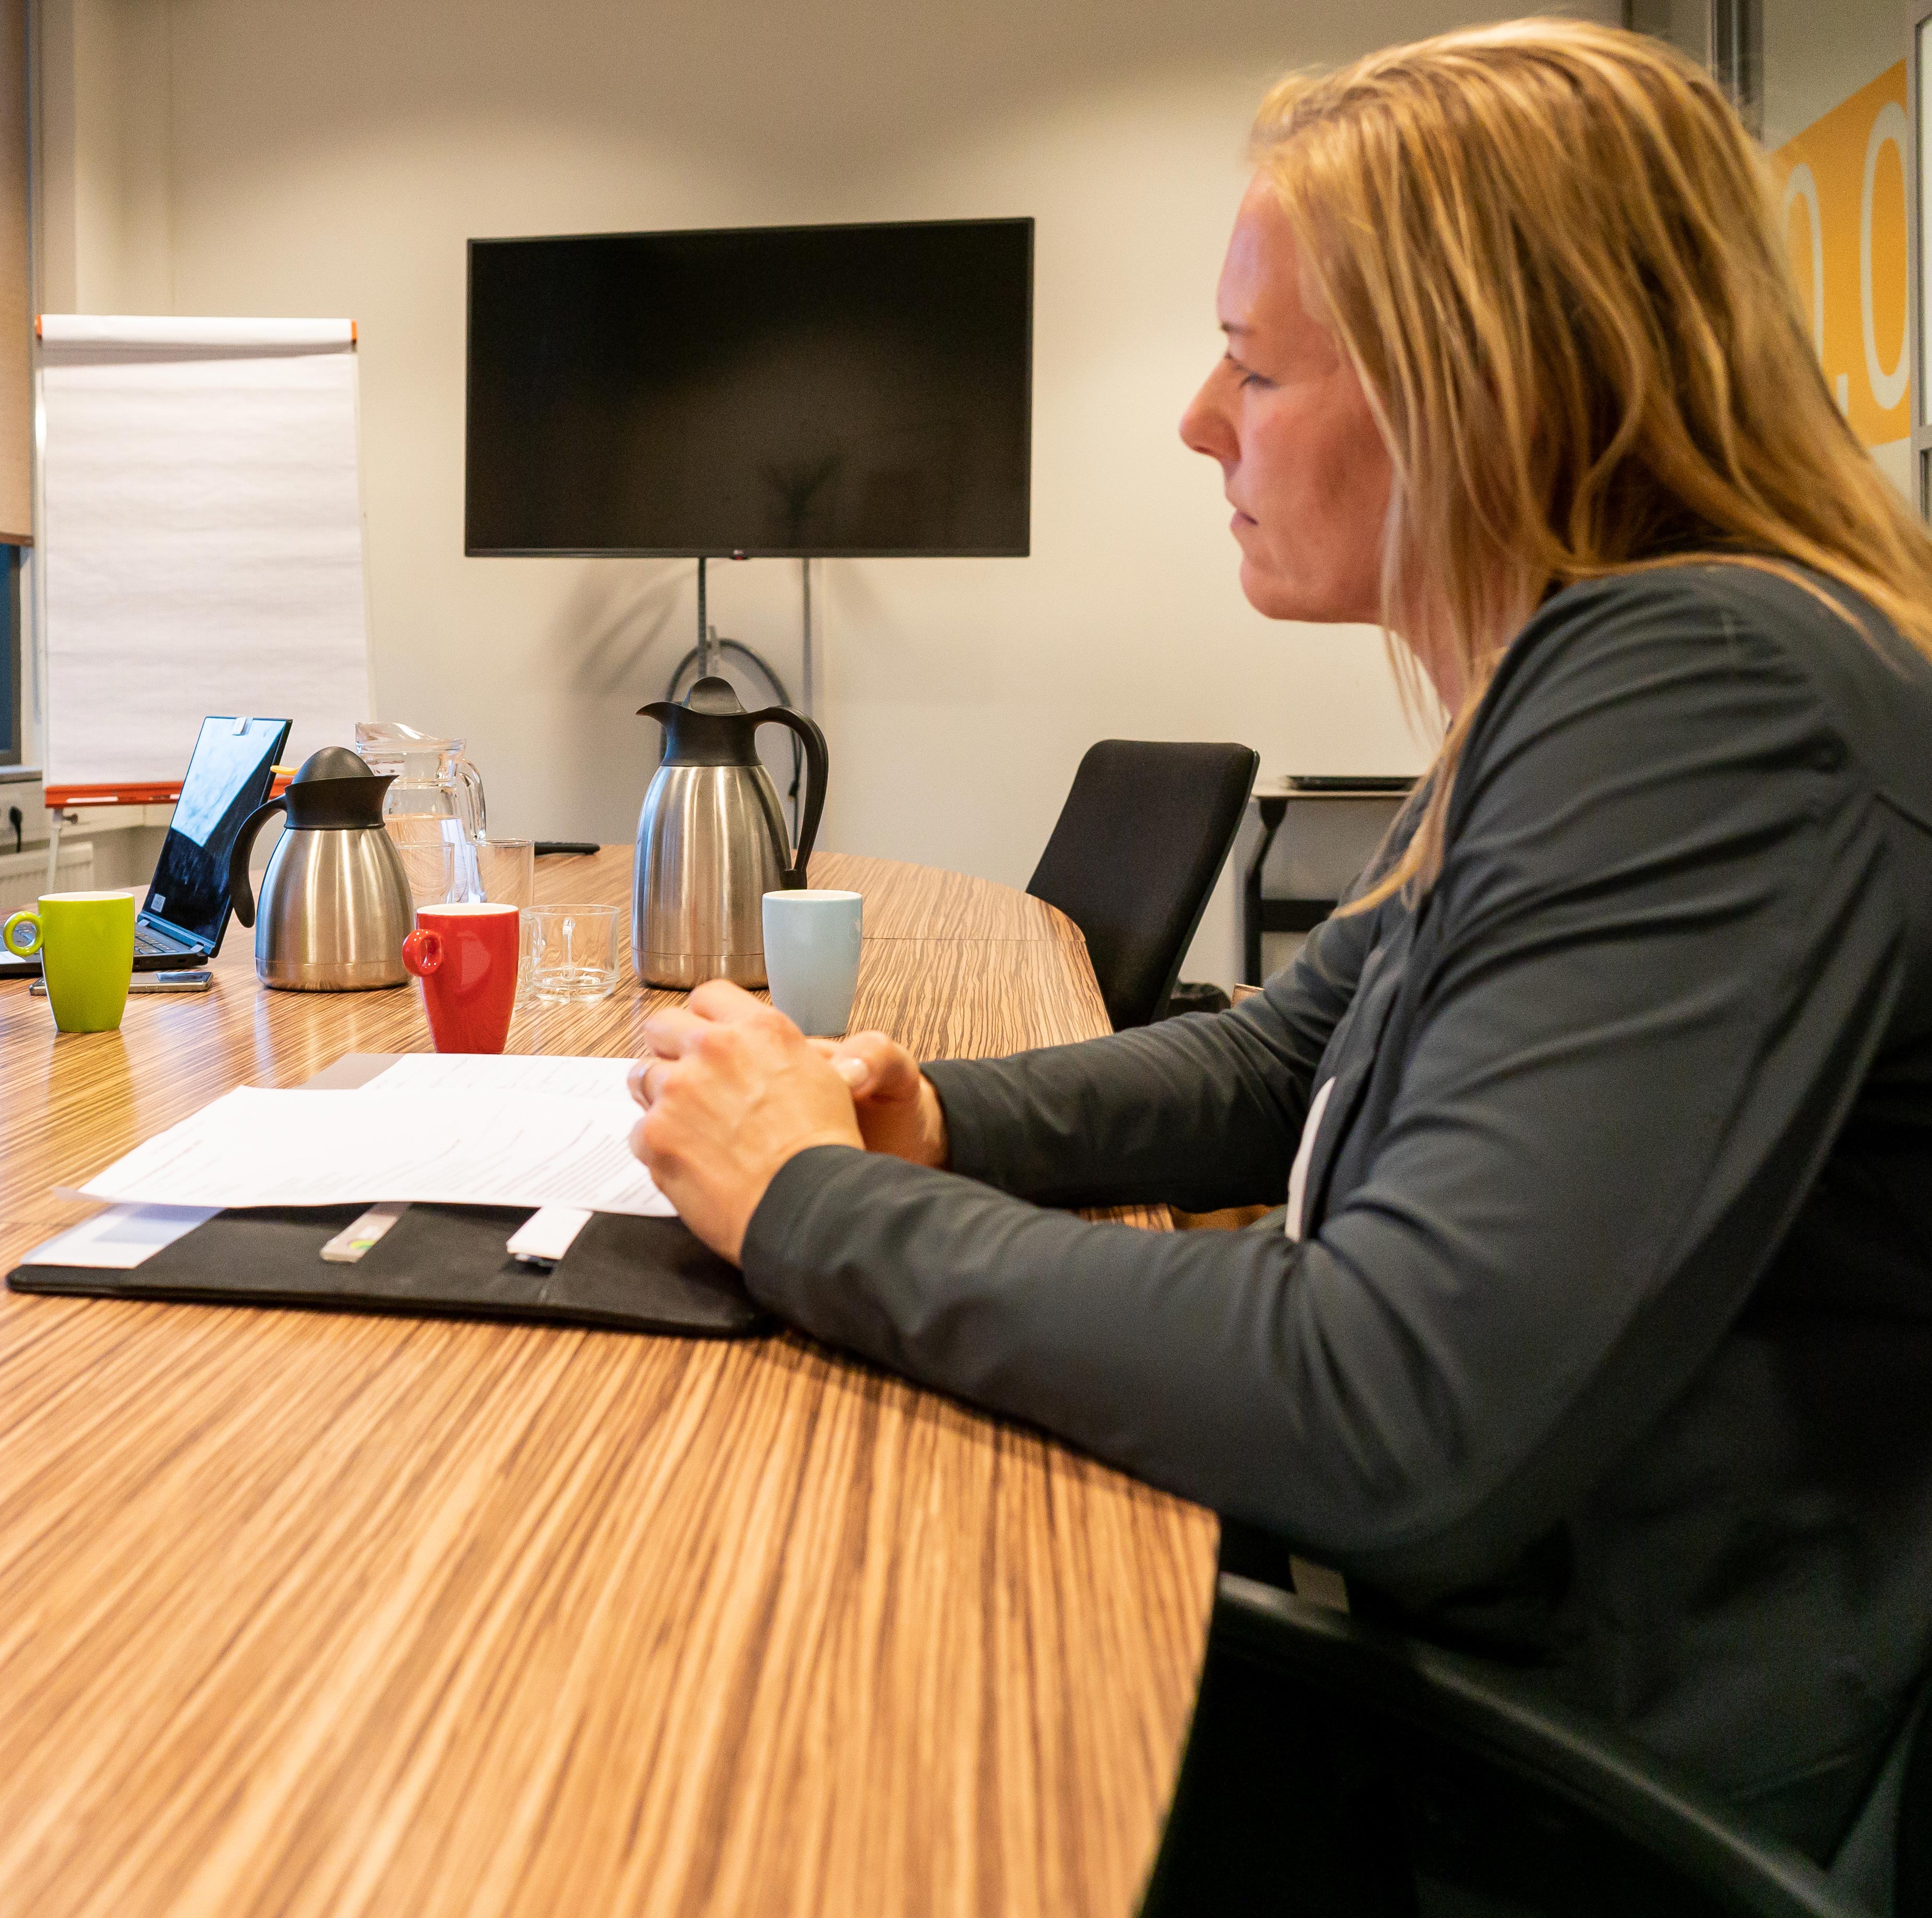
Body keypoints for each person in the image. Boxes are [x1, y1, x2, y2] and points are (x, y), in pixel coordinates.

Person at [627, 18, 1932, 1896]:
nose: (1194, 419)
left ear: (1475, 384)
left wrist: (810, 1203)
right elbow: (1270, 1059)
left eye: (1251, 363)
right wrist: (916, 1118)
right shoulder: (1600, 676)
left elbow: (1387, 1396)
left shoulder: (1706, 696)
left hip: (1560, 1799)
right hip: (1481, 1677)